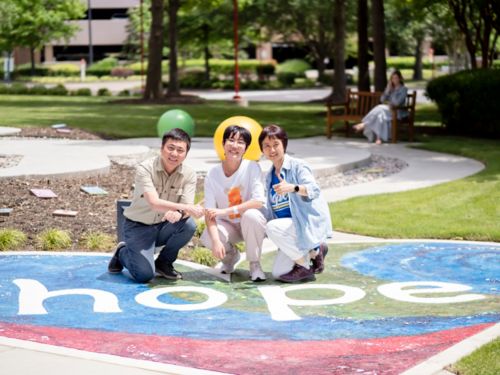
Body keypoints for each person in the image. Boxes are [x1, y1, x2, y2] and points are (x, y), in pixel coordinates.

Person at [108, 128, 204, 283]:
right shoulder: (145, 168)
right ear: (162, 148)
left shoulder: (189, 174)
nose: (174, 154)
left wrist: (179, 212)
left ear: (186, 154)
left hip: (164, 226)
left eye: (180, 150)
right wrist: (184, 208)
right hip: (138, 227)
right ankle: (122, 252)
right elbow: (154, 203)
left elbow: (185, 205)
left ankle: (164, 263)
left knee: (188, 225)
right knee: (144, 275)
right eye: (170, 148)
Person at [259, 124, 332, 283]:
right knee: (279, 274)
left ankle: (306, 265)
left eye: (276, 144)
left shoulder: (297, 166)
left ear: (284, 144)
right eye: (267, 146)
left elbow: (314, 189)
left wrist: (293, 187)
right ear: (262, 150)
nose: (272, 150)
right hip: (291, 232)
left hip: (303, 225)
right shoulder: (269, 176)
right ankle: (316, 250)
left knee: (272, 227)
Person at [200, 125, 267, 282]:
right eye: (231, 140)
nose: (235, 146)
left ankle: (255, 265)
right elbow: (209, 211)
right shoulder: (213, 173)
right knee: (207, 237)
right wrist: (216, 242)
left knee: (252, 215)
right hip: (229, 227)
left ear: (246, 148)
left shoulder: (252, 167)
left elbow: (258, 201)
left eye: (241, 142)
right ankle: (230, 258)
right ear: (223, 144)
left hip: (250, 224)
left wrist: (225, 211)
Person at [353, 70, 408, 144]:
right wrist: (388, 90)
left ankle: (364, 124)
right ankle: (378, 138)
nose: (394, 80)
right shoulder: (390, 88)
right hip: (388, 110)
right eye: (393, 78)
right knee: (380, 115)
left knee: (379, 107)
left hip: (397, 111)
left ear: (400, 79)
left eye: (396, 78)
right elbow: (382, 99)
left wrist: (392, 97)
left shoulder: (403, 89)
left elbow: (397, 102)